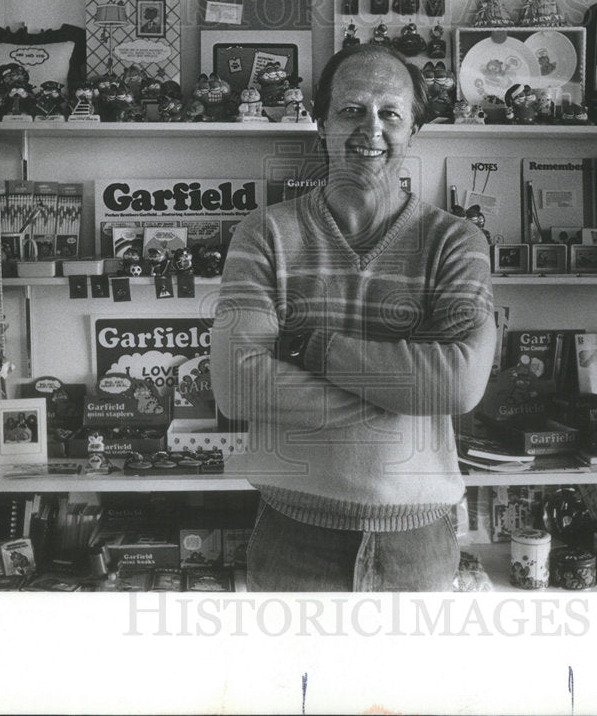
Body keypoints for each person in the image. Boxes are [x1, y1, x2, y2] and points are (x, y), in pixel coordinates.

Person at [211, 44, 496, 592]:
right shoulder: (264, 234)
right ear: (321, 123)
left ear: (414, 127)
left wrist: (309, 349)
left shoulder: (456, 241)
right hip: (292, 535)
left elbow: (458, 385)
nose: (371, 128)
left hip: (418, 543)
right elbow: (236, 386)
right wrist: (404, 394)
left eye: (390, 112)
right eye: (350, 110)